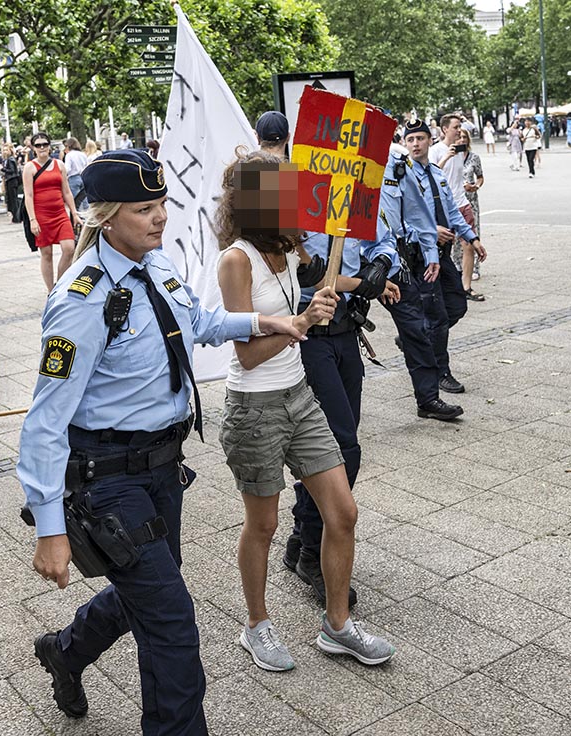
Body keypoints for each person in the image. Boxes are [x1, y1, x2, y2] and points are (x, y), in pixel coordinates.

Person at [18, 149, 308, 734]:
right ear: (104, 217)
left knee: (147, 591)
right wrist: (51, 530)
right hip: (107, 478)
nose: (160, 218)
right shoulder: (81, 301)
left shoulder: (157, 264)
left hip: (161, 468)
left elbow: (195, 323)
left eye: (163, 205)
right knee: (172, 623)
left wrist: (261, 323)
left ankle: (65, 652)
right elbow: (44, 424)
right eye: (144, 209)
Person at [215, 149, 396, 672]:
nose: (298, 200)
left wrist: (368, 285)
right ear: (258, 202)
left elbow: (325, 282)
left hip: (299, 398)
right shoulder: (237, 260)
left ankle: (337, 627)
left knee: (343, 512)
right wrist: (300, 324)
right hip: (255, 408)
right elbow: (246, 353)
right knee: (264, 523)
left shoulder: (288, 248)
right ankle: (256, 626)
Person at [283, 213, 402, 610]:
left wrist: (381, 264)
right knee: (339, 448)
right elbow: (295, 267)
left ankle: (304, 529)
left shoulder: (356, 191)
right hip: (309, 335)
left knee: (343, 441)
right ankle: (313, 553)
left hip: (346, 332)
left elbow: (383, 240)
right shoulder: (296, 192)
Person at [379, 144, 464, 421]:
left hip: (391, 259)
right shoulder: (326, 157)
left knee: (415, 326)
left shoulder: (395, 158)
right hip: (344, 262)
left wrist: (429, 253)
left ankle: (428, 399)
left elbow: (416, 211)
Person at [404, 119, 486, 395]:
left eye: (420, 138)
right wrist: (428, 230)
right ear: (406, 144)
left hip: (443, 255)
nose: (416, 144)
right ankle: (441, 372)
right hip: (422, 258)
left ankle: (418, 338)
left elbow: (451, 212)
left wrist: (472, 238)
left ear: (430, 140)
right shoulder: (403, 176)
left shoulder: (437, 175)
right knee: (437, 317)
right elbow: (397, 221)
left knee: (457, 305)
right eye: (411, 139)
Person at [22, 131, 81, 291]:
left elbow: (66, 191)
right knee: (46, 254)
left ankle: (60, 284)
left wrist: (74, 213)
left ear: (50, 146)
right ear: (33, 148)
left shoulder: (59, 165)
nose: (42, 148)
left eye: (45, 144)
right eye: (38, 145)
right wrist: (33, 220)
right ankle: (51, 290)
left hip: (60, 214)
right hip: (41, 216)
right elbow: (28, 195)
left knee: (69, 248)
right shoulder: (29, 167)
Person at [456, 129, 484, 299]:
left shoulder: (474, 157)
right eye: (459, 137)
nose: (461, 140)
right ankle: (458, 267)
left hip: (471, 200)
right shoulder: (451, 156)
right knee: (455, 240)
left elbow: (480, 177)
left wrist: (476, 186)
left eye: (464, 137)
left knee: (472, 235)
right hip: (455, 201)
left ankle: (475, 269)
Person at [63, 137, 89, 209]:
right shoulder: (82, 154)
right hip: (83, 177)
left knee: (75, 201)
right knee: (84, 200)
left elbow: (67, 168)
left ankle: (78, 217)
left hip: (73, 178)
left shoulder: (69, 155)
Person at [0, 143, 22, 223]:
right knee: (12, 199)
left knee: (13, 199)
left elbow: (12, 171)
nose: (5, 152)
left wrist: (3, 169)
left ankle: (17, 217)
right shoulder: (8, 159)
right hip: (10, 180)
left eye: (6, 150)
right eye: (4, 150)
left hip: (12, 180)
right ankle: (15, 217)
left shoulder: (11, 159)